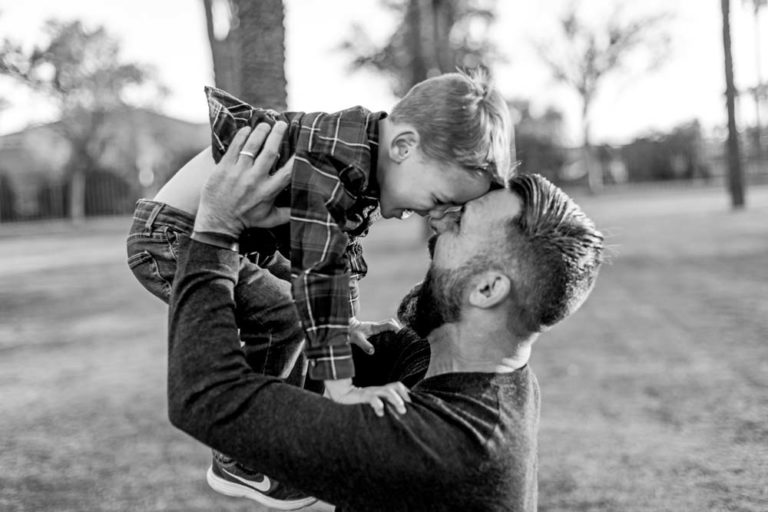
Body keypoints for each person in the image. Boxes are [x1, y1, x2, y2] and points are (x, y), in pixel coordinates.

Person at [165, 124, 604, 511]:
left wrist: (215, 229)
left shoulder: (439, 445)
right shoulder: (441, 365)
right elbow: (300, 341)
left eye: (457, 224)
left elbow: (207, 397)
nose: (435, 224)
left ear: (487, 289)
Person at [127, 70, 511, 508]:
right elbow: (318, 266)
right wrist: (342, 388)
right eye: (439, 197)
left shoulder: (363, 157)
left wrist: (343, 325)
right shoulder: (336, 158)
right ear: (404, 147)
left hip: (237, 241)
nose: (430, 212)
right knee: (283, 319)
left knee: (297, 312)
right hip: (171, 236)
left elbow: (337, 253)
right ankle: (243, 458)